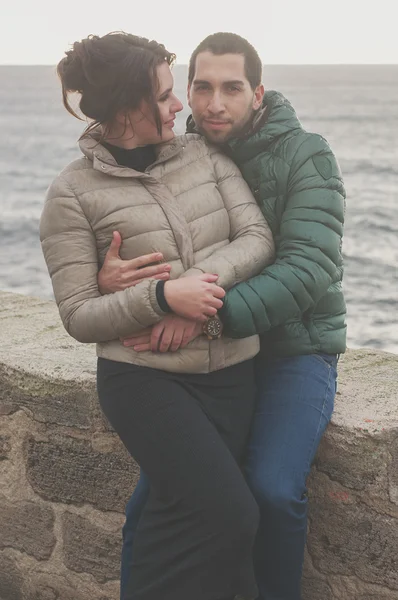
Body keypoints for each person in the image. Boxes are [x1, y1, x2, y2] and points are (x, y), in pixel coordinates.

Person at [99, 33, 346, 600]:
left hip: (291, 349)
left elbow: (308, 266)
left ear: (257, 94)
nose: (214, 103)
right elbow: (125, 234)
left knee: (272, 489)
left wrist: (209, 316)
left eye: (232, 88)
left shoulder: (307, 153)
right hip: (210, 357)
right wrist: (109, 277)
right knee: (159, 494)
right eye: (202, 87)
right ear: (186, 90)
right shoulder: (174, 153)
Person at [39, 32, 276, 600]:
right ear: (126, 109)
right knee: (231, 514)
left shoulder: (202, 154)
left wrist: (193, 286)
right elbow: (78, 315)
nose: (181, 108)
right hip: (145, 382)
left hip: (232, 373)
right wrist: (162, 299)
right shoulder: (71, 194)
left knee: (181, 522)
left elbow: (258, 237)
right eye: (166, 96)